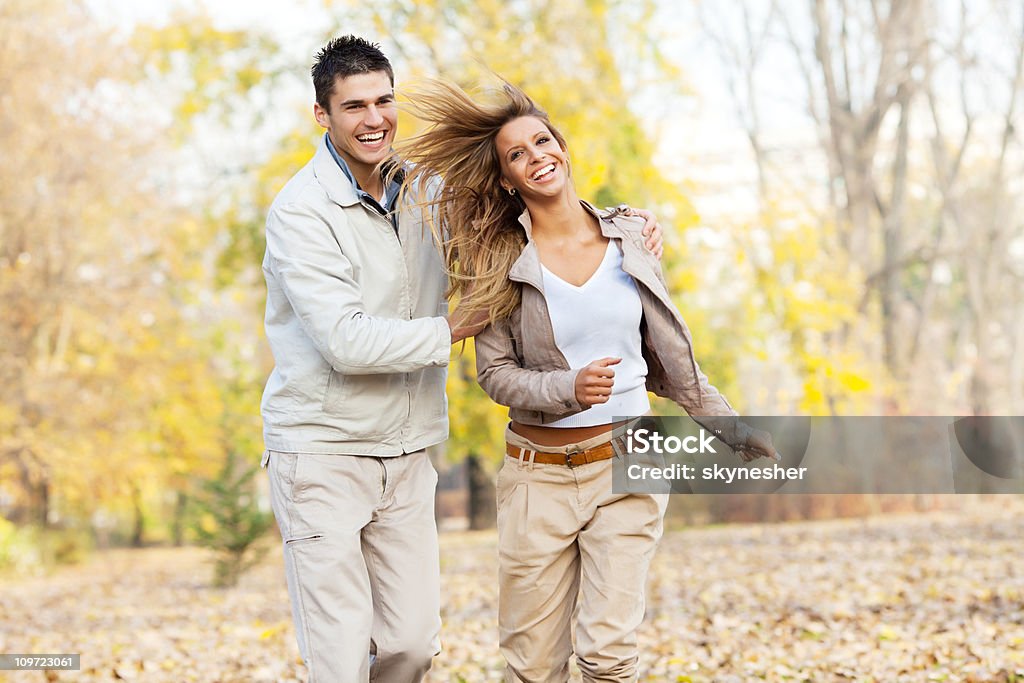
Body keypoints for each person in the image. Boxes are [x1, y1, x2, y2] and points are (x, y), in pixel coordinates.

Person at [260, 37, 665, 683]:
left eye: (384, 100)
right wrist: (454, 327)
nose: (374, 119)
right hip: (322, 451)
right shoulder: (300, 213)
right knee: (338, 657)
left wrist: (623, 224)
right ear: (323, 116)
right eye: (354, 105)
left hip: (407, 449)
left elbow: (525, 209)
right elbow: (345, 340)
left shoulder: (427, 192)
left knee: (411, 646)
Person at [396, 80, 777, 683]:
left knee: (608, 657)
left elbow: (673, 360)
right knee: (534, 665)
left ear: (563, 148)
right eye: (516, 154)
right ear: (505, 179)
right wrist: (565, 389)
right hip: (537, 478)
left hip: (630, 462)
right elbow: (494, 377)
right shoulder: (498, 261)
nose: (535, 156)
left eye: (542, 141)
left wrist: (733, 428)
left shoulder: (632, 238)